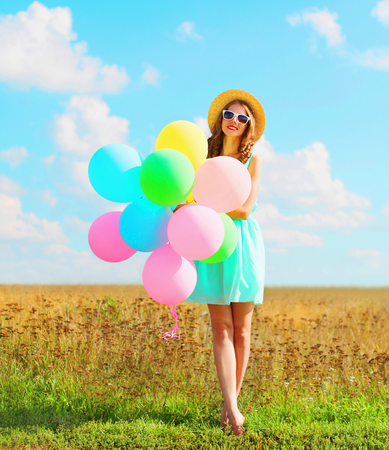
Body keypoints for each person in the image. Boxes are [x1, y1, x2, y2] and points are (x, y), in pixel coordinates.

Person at [183, 89, 265, 436]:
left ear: (249, 127)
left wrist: (206, 206)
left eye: (242, 118)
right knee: (221, 329)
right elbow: (185, 197)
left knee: (243, 331)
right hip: (213, 244)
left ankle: (230, 404)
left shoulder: (253, 161)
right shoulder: (202, 156)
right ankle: (231, 407)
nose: (234, 121)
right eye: (229, 115)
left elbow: (245, 210)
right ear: (220, 120)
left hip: (243, 243)